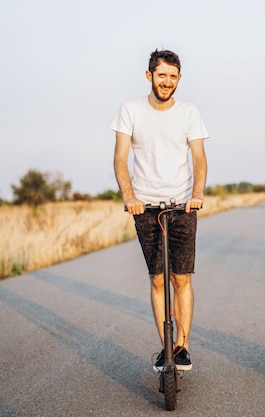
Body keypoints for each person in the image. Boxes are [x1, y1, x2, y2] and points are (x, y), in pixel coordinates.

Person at [110, 49, 209, 371]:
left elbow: (199, 158)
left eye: (173, 76)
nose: (167, 82)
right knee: (157, 280)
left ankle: (183, 346)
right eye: (162, 74)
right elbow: (120, 158)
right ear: (149, 75)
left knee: (181, 278)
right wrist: (129, 196)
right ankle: (166, 347)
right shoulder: (131, 110)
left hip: (182, 205)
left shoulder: (189, 112)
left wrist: (196, 194)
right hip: (145, 207)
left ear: (179, 79)